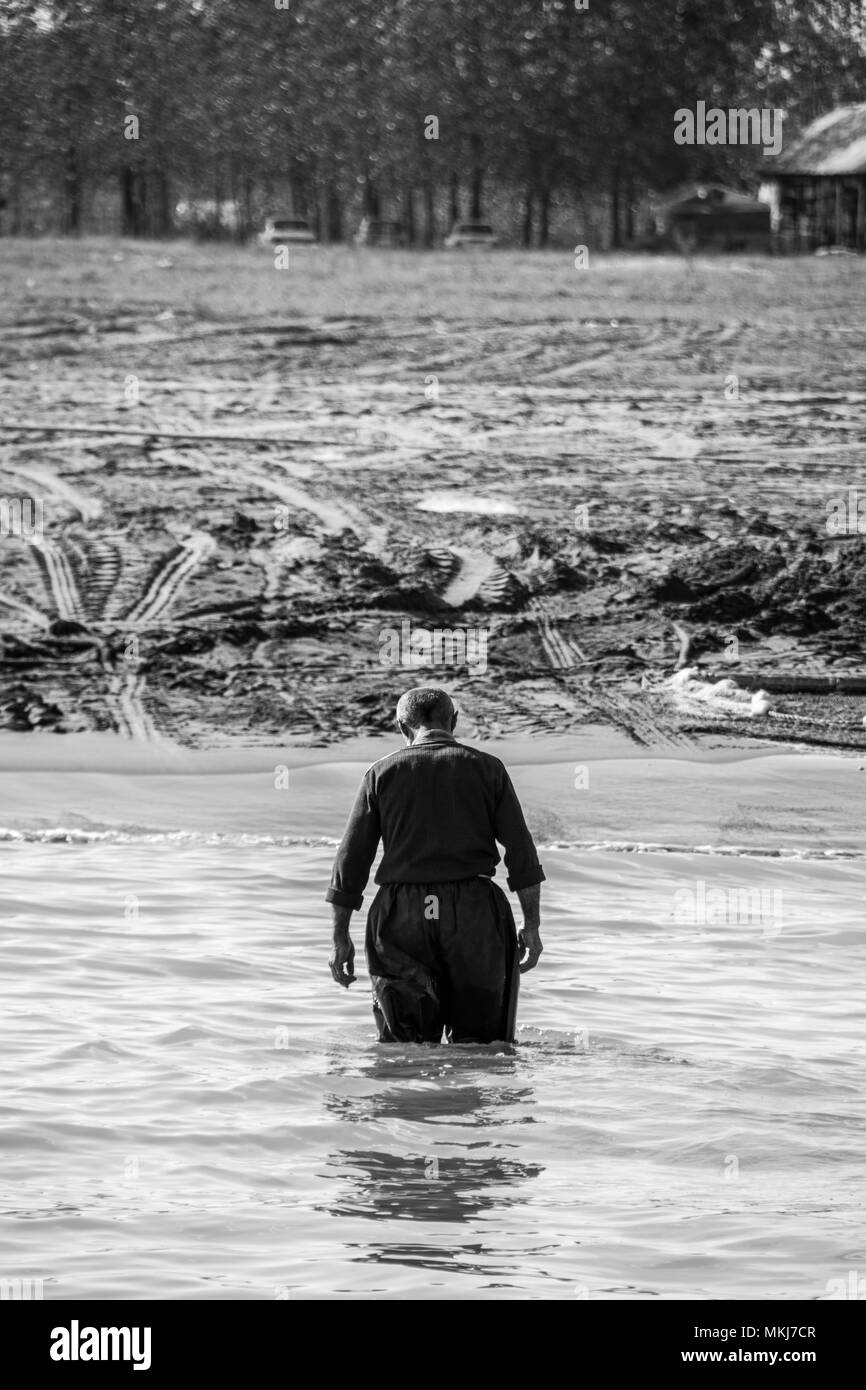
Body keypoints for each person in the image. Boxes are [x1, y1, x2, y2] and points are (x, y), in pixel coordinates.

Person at [326, 686, 544, 1043]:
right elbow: (521, 853)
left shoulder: (381, 774)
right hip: (476, 914)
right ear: (454, 721)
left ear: (402, 727)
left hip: (400, 915)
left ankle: (410, 1096)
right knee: (483, 1046)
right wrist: (531, 924)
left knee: (404, 1047)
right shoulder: (487, 768)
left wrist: (339, 939)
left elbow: (350, 863)